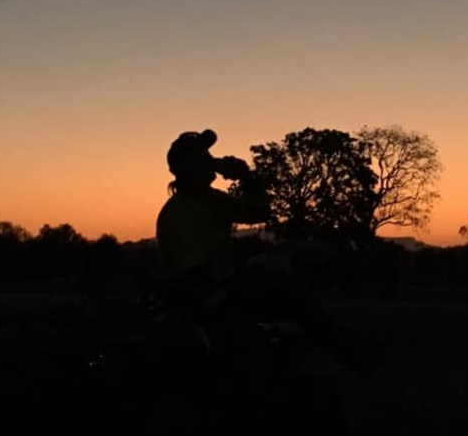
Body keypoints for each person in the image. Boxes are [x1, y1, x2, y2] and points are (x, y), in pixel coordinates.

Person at [155, 129, 384, 376]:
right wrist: (244, 282)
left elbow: (259, 213)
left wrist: (248, 179)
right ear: (185, 168)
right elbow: (194, 276)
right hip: (206, 301)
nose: (211, 159)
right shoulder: (177, 214)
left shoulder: (212, 200)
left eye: (207, 154)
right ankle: (350, 354)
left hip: (223, 291)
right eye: (202, 155)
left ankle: (346, 351)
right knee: (287, 294)